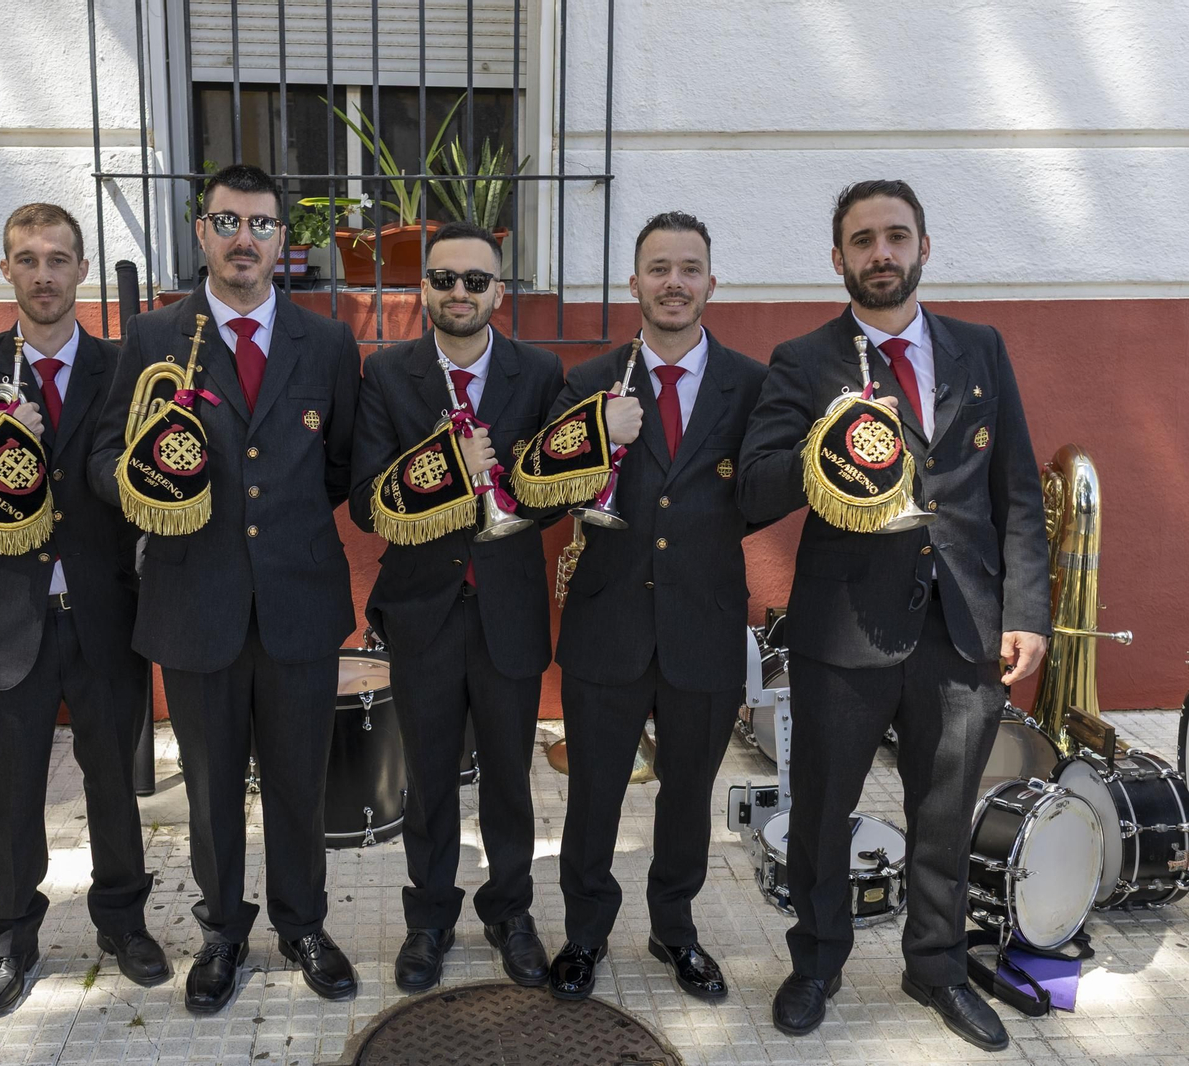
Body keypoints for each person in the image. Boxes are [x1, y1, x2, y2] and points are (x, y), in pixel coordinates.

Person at [737, 180, 1050, 1051]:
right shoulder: (804, 361)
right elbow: (755, 489)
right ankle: (816, 963)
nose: (881, 254)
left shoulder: (981, 347)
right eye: (863, 240)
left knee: (945, 812)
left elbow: (1016, 490)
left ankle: (936, 967)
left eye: (896, 236)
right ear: (837, 258)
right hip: (845, 629)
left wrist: (1026, 611)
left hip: (964, 626)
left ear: (923, 247)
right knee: (821, 808)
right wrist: (828, 445)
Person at [88, 164, 362, 1014]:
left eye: (263, 225)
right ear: (201, 231)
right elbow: (105, 456)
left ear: (284, 241)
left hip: (298, 601)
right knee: (209, 789)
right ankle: (222, 934)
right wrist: (150, 487)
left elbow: (339, 466)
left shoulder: (329, 342)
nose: (246, 239)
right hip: (193, 599)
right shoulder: (150, 336)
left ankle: (303, 924)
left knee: (298, 781)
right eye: (229, 221)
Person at [0, 203, 166, 1018]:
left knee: (114, 783)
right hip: (7, 619)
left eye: (59, 259)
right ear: (6, 270)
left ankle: (123, 922)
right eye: (28, 259)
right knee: (13, 791)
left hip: (104, 615)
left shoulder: (122, 365)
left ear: (82, 270)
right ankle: (12, 937)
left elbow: (142, 481)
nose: (44, 274)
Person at [546, 212, 768, 1003]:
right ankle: (584, 932)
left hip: (704, 623)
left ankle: (674, 928)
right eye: (659, 268)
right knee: (593, 794)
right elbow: (546, 489)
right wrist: (592, 437)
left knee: (688, 796)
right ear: (634, 283)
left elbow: (765, 491)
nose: (674, 282)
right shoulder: (588, 381)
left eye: (689, 268)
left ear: (712, 283)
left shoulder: (752, 384)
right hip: (607, 623)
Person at [348, 221, 564, 993]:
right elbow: (367, 502)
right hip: (423, 609)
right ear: (425, 289)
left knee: (509, 777)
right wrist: (444, 466)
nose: (460, 292)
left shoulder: (539, 372)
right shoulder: (388, 373)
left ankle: (511, 912)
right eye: (445, 279)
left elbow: (556, 490)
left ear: (499, 290)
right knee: (430, 779)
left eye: (476, 280)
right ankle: (430, 918)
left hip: (508, 607)